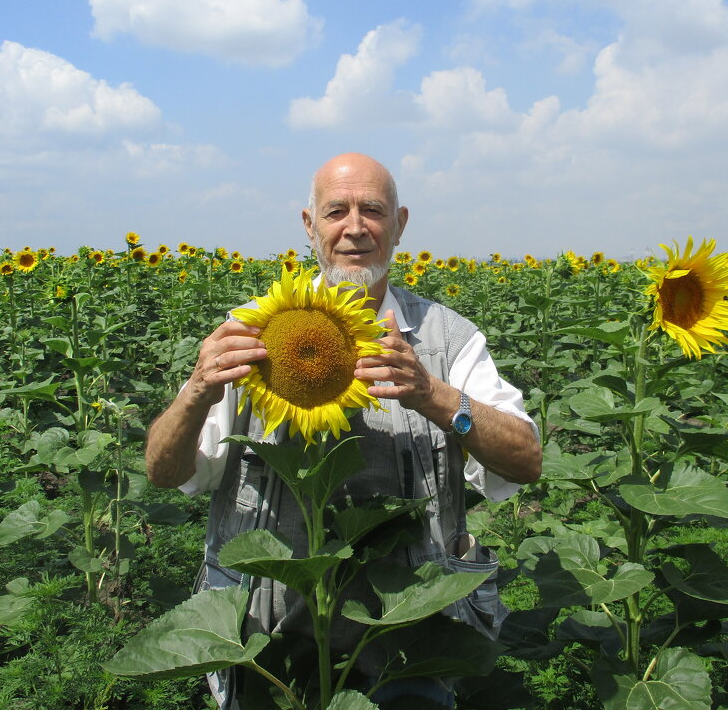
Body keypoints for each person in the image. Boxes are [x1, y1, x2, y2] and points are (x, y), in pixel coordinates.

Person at [145, 152, 542, 708]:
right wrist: (195, 393)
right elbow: (166, 473)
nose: (355, 228)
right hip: (265, 638)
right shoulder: (252, 333)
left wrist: (434, 395)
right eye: (336, 211)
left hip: (407, 642)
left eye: (373, 210)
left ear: (399, 225)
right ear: (310, 226)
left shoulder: (449, 339)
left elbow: (525, 459)